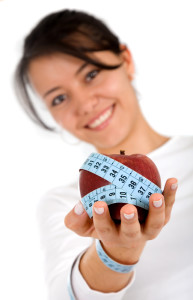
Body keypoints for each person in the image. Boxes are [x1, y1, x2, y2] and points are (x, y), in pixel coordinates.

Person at [14, 9, 193, 300]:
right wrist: (117, 254)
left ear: (126, 60)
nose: (85, 104)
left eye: (91, 74)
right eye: (59, 98)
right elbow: (66, 294)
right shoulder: (67, 206)